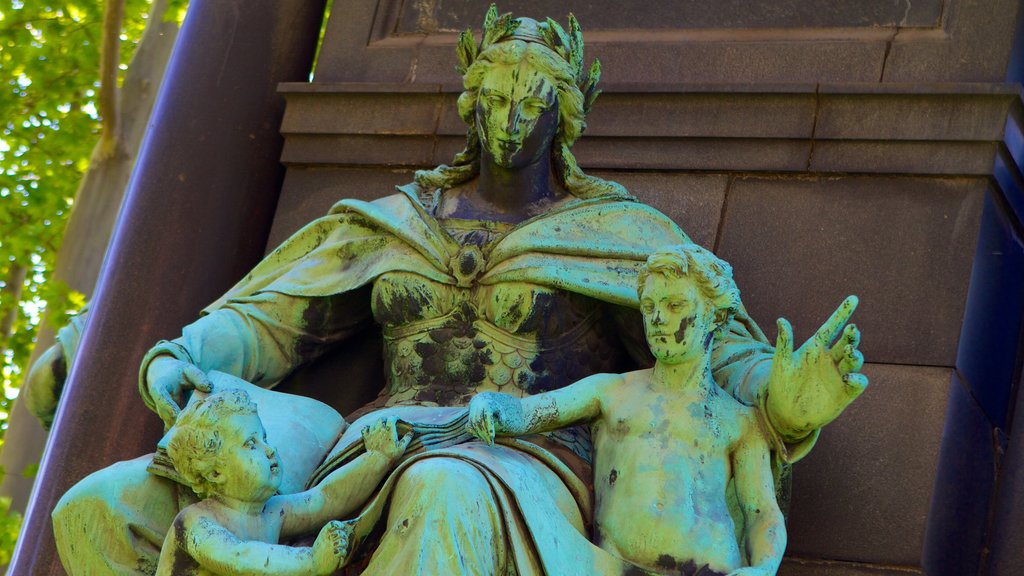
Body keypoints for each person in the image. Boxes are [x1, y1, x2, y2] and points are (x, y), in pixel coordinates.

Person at [53, 7, 866, 575]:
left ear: (565, 116)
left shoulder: (622, 235)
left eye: (533, 97)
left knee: (440, 490)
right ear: (470, 106)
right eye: (496, 96)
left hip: (522, 451)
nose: (512, 115)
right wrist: (180, 358)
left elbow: (713, 350)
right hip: (365, 441)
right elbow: (270, 320)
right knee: (100, 509)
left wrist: (786, 401)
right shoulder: (395, 221)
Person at [467, 244, 786, 576]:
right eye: (649, 307)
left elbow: (763, 512)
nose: (659, 319)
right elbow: (528, 413)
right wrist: (491, 405)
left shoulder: (738, 421)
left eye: (675, 305)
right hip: (616, 567)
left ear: (716, 317)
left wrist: (764, 567)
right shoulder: (612, 392)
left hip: (713, 569)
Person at [155, 390, 411, 575]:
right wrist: (311, 560)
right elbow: (239, 557)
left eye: (264, 438)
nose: (269, 450)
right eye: (250, 443)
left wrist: (378, 458)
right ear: (214, 473)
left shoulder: (271, 511)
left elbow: (324, 499)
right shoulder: (195, 523)